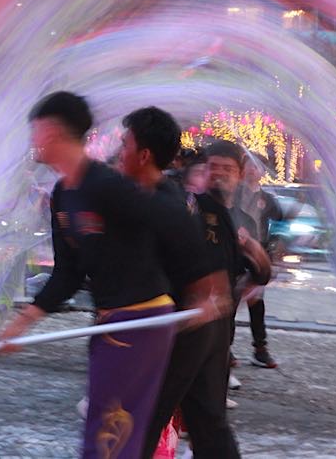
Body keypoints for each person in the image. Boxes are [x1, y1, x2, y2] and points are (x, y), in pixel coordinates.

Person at [0, 92, 225, 459]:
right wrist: (21, 323)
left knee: (111, 434)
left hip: (142, 321)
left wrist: (207, 286)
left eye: (35, 131)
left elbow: (171, 218)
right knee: (105, 433)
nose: (32, 140)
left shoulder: (104, 184)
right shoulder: (63, 195)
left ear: (51, 131)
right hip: (110, 322)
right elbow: (68, 275)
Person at [113, 107, 239, 458]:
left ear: (144, 154)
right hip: (199, 325)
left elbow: (211, 269)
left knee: (144, 416)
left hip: (184, 325)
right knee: (207, 421)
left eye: (125, 144)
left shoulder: (163, 202)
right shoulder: (165, 199)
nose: (119, 151)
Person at [203, 141, 273, 393]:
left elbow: (260, 273)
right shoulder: (189, 208)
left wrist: (256, 254)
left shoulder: (244, 221)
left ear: (240, 174)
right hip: (189, 313)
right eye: (213, 167)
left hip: (222, 313)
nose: (219, 173)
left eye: (227, 168)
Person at [235, 156, 283, 369]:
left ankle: (260, 349)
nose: (252, 170)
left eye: (257, 167)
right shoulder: (233, 194)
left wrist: (273, 250)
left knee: (256, 303)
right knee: (230, 302)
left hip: (257, 255)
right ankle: (223, 348)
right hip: (236, 253)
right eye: (248, 166)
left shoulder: (268, 199)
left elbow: (280, 223)